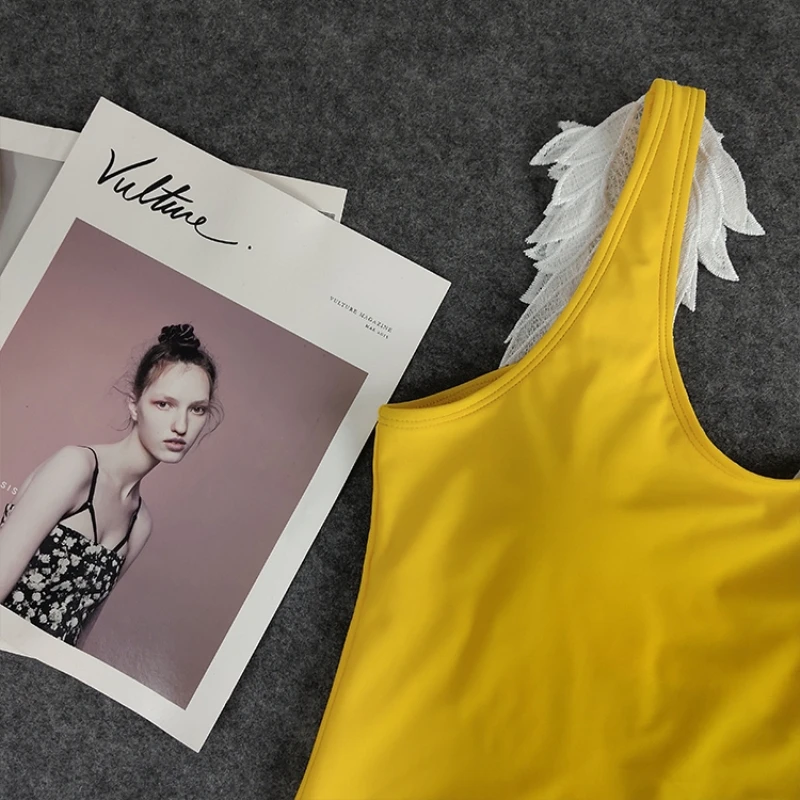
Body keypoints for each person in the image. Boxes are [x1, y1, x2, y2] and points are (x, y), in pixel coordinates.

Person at [0, 323, 220, 647]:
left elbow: (79, 635)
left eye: (197, 409)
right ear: (134, 405)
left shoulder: (140, 524)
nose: (181, 425)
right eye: (164, 404)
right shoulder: (75, 467)